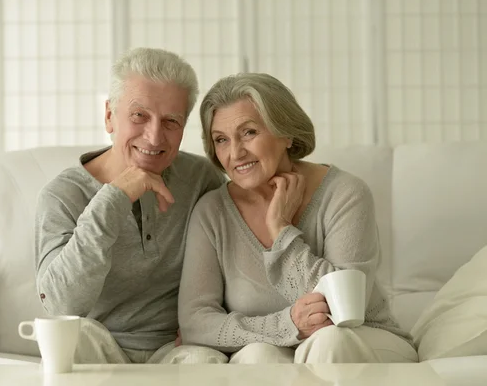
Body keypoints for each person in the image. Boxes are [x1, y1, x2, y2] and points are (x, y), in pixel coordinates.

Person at [175, 73, 418, 364]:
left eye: (249, 132)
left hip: (361, 340)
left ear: (286, 133)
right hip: (271, 346)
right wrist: (288, 325)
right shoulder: (211, 212)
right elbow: (195, 323)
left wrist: (281, 231)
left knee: (328, 341)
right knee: (256, 356)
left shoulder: (345, 193)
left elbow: (343, 311)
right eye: (221, 140)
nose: (236, 153)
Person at [34, 47, 226, 364]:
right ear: (110, 116)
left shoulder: (201, 179)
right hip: (98, 349)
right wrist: (114, 198)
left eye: (170, 121)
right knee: (74, 339)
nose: (153, 138)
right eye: (139, 116)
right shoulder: (62, 195)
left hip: (177, 349)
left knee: (207, 362)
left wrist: (205, 327)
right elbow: (60, 307)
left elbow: (232, 266)